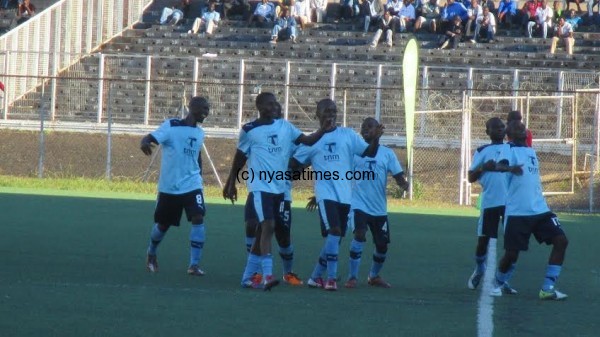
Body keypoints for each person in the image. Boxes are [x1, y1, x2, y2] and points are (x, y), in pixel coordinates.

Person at [223, 92, 332, 290]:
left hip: (280, 189)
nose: (275, 106)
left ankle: (248, 277)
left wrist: (322, 131)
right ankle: (267, 275)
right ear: (260, 106)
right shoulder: (249, 130)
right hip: (260, 187)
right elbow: (240, 157)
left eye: (276, 103)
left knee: (265, 232)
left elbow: (307, 141)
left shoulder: (285, 127)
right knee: (267, 226)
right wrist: (231, 182)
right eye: (270, 104)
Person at [290, 98, 383, 291]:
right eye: (326, 111)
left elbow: (370, 153)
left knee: (335, 239)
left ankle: (315, 277)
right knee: (335, 231)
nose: (330, 114)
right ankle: (331, 279)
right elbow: (294, 165)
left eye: (333, 111)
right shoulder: (312, 140)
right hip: (325, 194)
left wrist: (376, 138)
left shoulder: (348, 135)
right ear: (317, 114)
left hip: (345, 196)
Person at [490, 121, 569, 300]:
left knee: (561, 240)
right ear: (510, 134)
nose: (524, 131)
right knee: (512, 254)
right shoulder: (508, 149)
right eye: (519, 129)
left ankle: (547, 288)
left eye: (524, 128)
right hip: (518, 212)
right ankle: (498, 282)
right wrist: (511, 168)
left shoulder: (531, 151)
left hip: (540, 210)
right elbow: (499, 166)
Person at [334, 118, 408, 288]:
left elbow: (398, 176)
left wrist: (403, 184)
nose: (365, 128)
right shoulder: (354, 153)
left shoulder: (387, 153)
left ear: (378, 130)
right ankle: (352, 277)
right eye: (363, 126)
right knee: (359, 234)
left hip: (379, 208)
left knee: (382, 246)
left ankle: (373, 276)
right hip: (358, 204)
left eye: (370, 126)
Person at [142, 96, 210, 277]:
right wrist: (145, 141)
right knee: (163, 225)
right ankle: (151, 253)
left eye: (208, 108)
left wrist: (200, 177)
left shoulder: (200, 133)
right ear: (192, 108)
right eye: (204, 108)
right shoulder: (171, 126)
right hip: (170, 187)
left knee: (198, 217)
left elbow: (197, 156)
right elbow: (151, 137)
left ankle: (194, 265)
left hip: (192, 185)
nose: (207, 112)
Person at [242, 102, 304, 287]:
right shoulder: (255, 131)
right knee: (253, 225)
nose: (275, 113)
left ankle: (287, 273)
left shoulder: (289, 133)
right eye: (272, 109)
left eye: (279, 110)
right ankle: (257, 273)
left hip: (281, 192)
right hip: (260, 188)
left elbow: (300, 162)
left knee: (282, 234)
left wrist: (295, 167)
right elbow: (244, 154)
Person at [466, 117, 507, 290]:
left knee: (512, 242)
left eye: (501, 127)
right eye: (495, 127)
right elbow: (470, 178)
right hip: (490, 202)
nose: (499, 129)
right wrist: (483, 167)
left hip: (510, 204)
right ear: (487, 132)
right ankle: (479, 268)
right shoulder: (482, 151)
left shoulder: (512, 149)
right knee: (483, 240)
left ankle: (503, 280)